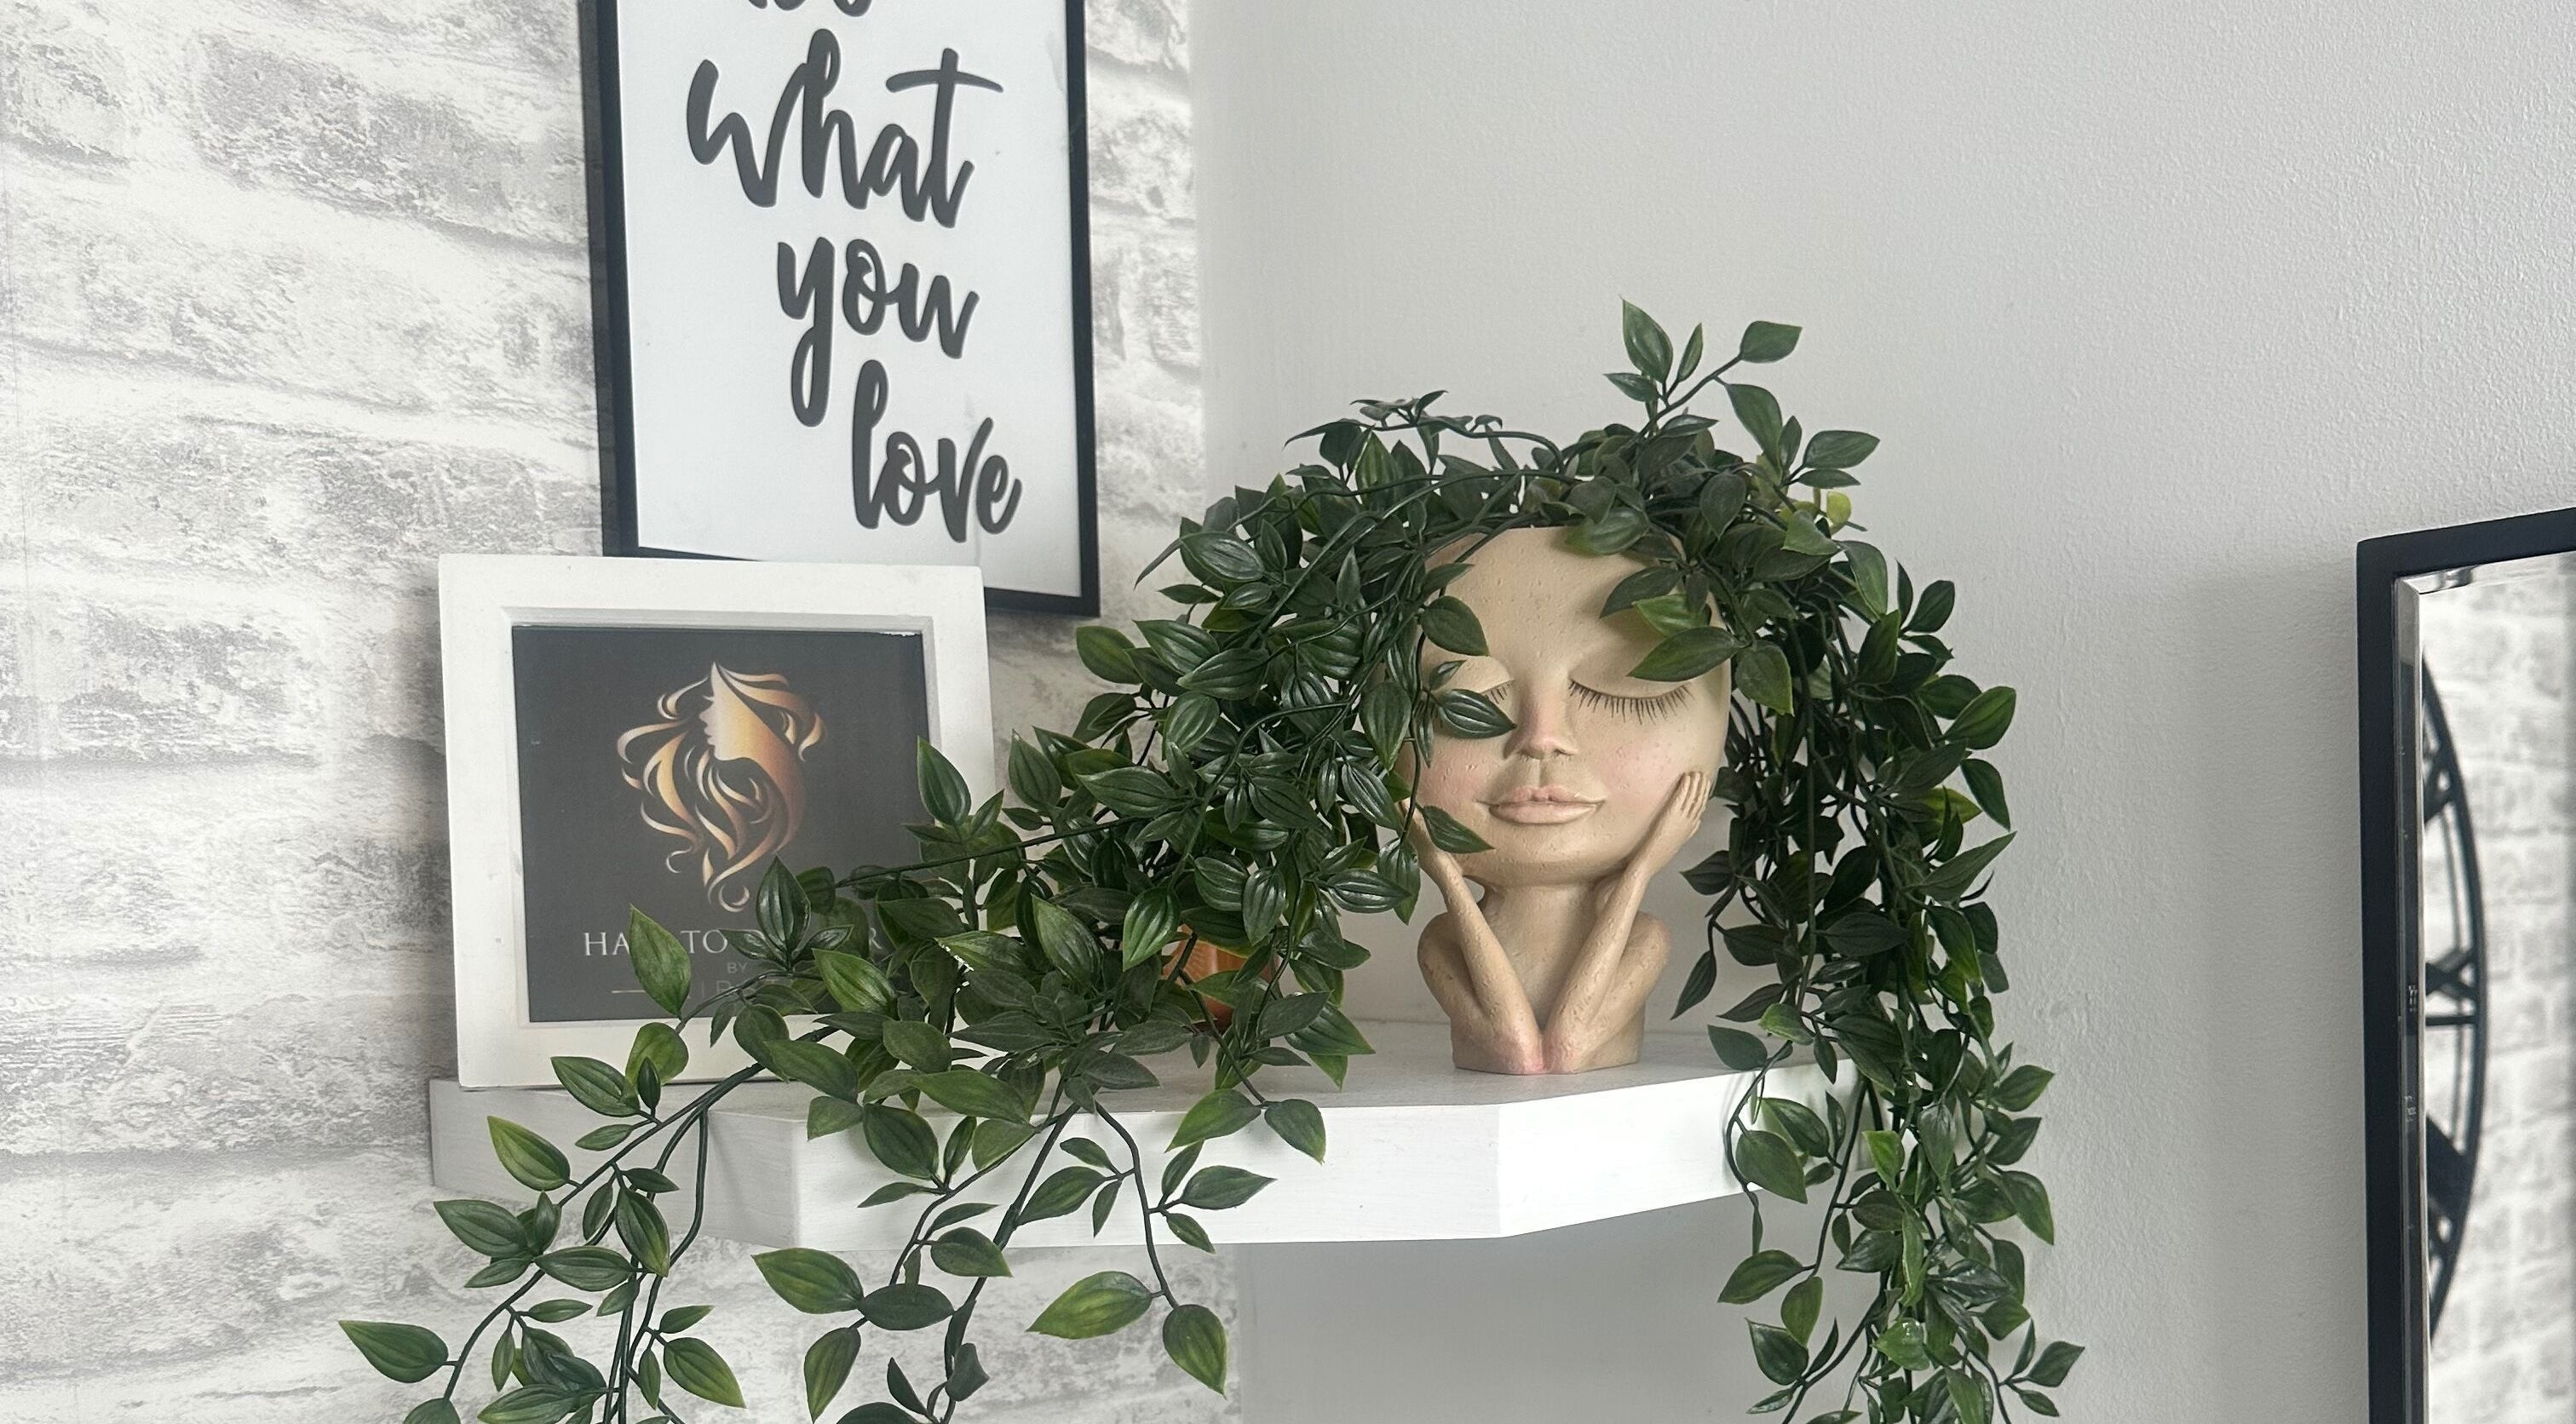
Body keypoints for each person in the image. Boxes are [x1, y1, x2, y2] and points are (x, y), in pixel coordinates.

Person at [1412, 529, 1728, 1073]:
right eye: (1471, 697)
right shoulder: (1442, 939)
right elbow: (1518, 1050)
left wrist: (1641, 869)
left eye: (1622, 689)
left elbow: (1570, 1042)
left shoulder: (1647, 937)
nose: (1541, 736)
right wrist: (1446, 877)